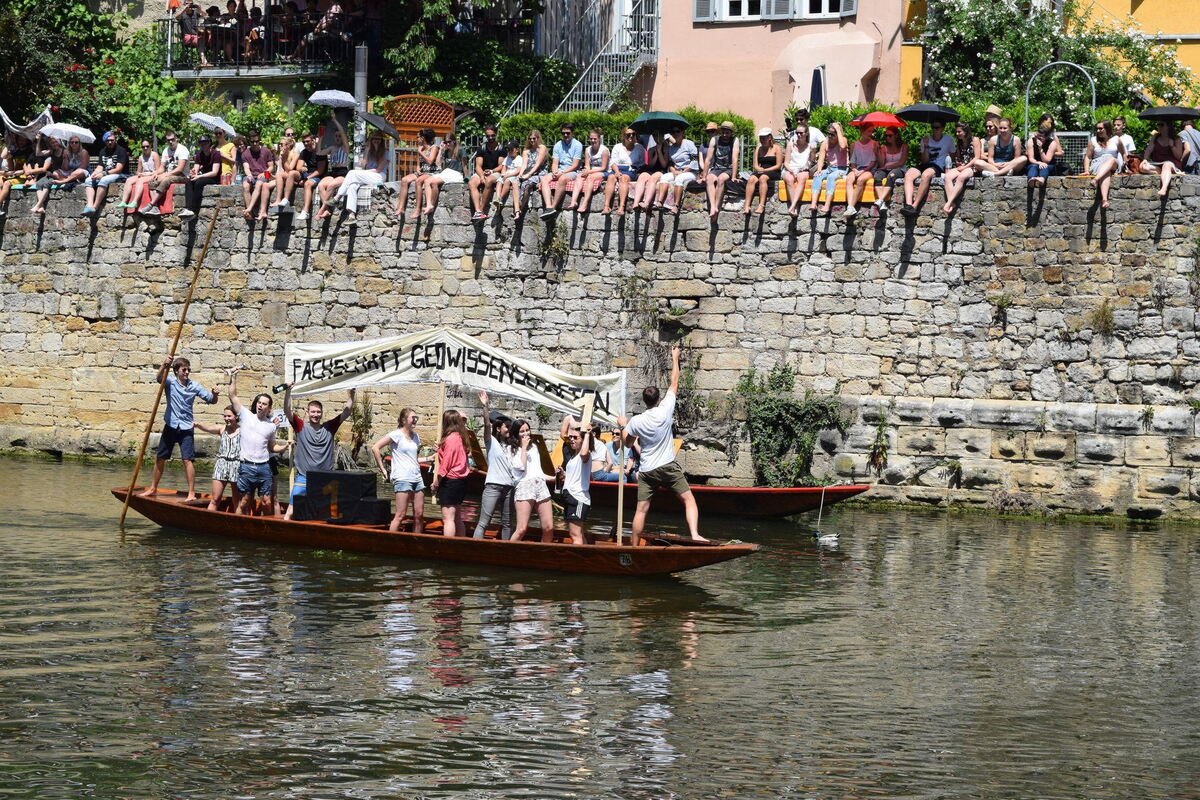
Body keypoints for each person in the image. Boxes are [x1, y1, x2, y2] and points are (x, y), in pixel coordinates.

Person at [617, 345, 705, 545]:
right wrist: (675, 358)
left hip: (647, 470)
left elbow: (627, 443)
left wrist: (623, 426)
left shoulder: (637, 421)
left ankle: (633, 546)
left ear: (645, 401)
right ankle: (695, 534)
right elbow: (674, 382)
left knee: (641, 510)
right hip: (666, 466)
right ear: (658, 399)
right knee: (689, 500)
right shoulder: (665, 409)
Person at [139, 356, 221, 501]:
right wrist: (164, 365)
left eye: (188, 370)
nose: (187, 372)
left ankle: (191, 493)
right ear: (177, 371)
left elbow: (211, 400)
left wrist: (215, 394)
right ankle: (153, 488)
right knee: (160, 458)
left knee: (187, 460)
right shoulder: (170, 382)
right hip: (170, 425)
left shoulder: (194, 386)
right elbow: (159, 378)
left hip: (186, 428)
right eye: (184, 370)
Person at [281, 385, 353, 520]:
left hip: (324, 478)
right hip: (304, 476)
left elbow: (347, 412)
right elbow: (287, 410)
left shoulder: (329, 427)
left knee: (329, 512)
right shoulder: (300, 426)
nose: (315, 415)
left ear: (322, 413)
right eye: (313, 412)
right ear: (308, 413)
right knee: (290, 510)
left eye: (318, 412)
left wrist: (352, 394)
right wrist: (288, 391)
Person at [228, 367, 284, 516]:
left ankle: (267, 525)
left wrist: (284, 447)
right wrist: (233, 377)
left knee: (267, 501)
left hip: (264, 467)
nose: (260, 405)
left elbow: (272, 447)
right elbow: (233, 396)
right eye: (259, 402)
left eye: (264, 404)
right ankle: (239, 525)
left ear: (269, 408)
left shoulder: (271, 425)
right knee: (244, 501)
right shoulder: (246, 415)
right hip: (246, 466)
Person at [371, 407, 427, 534]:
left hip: (417, 478)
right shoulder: (396, 434)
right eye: (413, 417)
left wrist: (429, 458)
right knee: (400, 515)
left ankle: (417, 541)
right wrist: (383, 469)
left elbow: (413, 459)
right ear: (403, 420)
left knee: (419, 515)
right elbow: (375, 448)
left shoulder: (416, 437)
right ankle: (391, 541)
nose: (415, 420)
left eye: (416, 418)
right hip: (402, 478)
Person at [472, 391, 516, 540]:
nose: (509, 429)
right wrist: (485, 406)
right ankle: (474, 547)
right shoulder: (491, 441)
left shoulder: (512, 446)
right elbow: (486, 424)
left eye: (510, 427)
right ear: (498, 428)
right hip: (493, 486)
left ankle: (505, 549)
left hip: (509, 488)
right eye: (506, 426)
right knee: (484, 523)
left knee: (507, 523)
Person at [509, 418, 555, 543]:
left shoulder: (534, 447)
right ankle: (508, 551)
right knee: (522, 529)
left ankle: (544, 552)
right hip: (525, 486)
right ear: (516, 434)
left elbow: (538, 472)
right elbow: (521, 467)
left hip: (540, 485)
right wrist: (523, 447)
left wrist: (554, 477)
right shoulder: (512, 449)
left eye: (527, 430)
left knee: (549, 527)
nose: (526, 433)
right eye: (522, 431)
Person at [327, 130, 387, 226]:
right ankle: (351, 215)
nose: (376, 141)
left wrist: (362, 172)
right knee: (352, 186)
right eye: (374, 139)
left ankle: (337, 197)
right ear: (371, 140)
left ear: (381, 141)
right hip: (368, 176)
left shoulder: (385, 152)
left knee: (352, 173)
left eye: (378, 139)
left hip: (379, 176)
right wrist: (367, 150)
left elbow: (378, 170)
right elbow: (363, 166)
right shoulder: (369, 151)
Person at [900, 120, 953, 216]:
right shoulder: (925, 139)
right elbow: (924, 161)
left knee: (926, 175)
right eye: (933, 127)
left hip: (938, 166)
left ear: (942, 128)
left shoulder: (949, 140)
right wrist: (925, 146)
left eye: (937, 128)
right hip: (926, 164)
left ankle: (915, 206)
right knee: (908, 174)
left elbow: (953, 155)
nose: (934, 130)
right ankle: (908, 205)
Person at [430, 410, 470, 536]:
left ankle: (448, 545)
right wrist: (440, 449)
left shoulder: (451, 439)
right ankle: (460, 543)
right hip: (461, 482)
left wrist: (436, 482)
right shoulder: (461, 437)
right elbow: (454, 455)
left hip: (451, 482)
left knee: (448, 519)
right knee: (457, 518)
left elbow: (446, 463)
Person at [193, 405, 240, 511]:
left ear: (236, 416)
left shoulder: (242, 430)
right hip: (221, 464)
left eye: (229, 416)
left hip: (237, 465)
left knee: (237, 500)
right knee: (215, 499)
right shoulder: (222, 429)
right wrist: (198, 425)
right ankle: (208, 519)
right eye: (225, 416)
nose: (226, 418)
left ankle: (238, 520)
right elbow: (209, 428)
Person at [30, 136, 87, 216]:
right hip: (53, 174)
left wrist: (65, 160)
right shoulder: (51, 151)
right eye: (52, 143)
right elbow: (38, 153)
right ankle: (41, 206)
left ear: (59, 142)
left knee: (47, 183)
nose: (54, 144)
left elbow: (68, 167)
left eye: (55, 142)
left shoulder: (65, 151)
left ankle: (38, 204)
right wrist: (39, 140)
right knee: (39, 184)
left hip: (61, 175)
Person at [140, 131, 189, 217]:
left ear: (176, 138)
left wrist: (166, 174)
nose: (170, 142)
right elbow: (162, 167)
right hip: (170, 173)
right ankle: (155, 208)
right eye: (168, 140)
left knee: (166, 180)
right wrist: (156, 173)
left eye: (172, 139)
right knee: (152, 180)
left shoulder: (182, 150)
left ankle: (151, 205)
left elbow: (180, 169)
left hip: (183, 176)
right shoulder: (166, 150)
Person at [556, 424, 591, 545]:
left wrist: (587, 434)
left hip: (578, 498)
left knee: (575, 534)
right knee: (578, 534)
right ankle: (586, 555)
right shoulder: (573, 457)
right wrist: (563, 474)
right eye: (570, 437)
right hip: (570, 497)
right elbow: (574, 476)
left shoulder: (585, 454)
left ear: (583, 440)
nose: (571, 439)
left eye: (575, 437)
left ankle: (578, 556)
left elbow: (584, 453)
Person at [395, 127, 439, 220]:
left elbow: (430, 161)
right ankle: (401, 208)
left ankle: (418, 209)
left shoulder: (434, 148)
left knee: (418, 181)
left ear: (423, 138)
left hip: (431, 171)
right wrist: (418, 168)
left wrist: (420, 152)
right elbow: (419, 163)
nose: (417, 139)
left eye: (418, 137)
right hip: (422, 171)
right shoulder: (421, 148)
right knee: (404, 180)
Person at [539, 124, 583, 218]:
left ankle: (553, 207)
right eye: (563, 133)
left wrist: (562, 173)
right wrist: (555, 172)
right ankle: (548, 207)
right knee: (544, 179)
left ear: (572, 133)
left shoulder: (577, 145)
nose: (565, 135)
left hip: (572, 171)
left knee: (562, 179)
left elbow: (575, 165)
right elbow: (555, 163)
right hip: (560, 170)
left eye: (568, 133)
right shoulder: (558, 145)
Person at [655, 126, 700, 214]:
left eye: (677, 131)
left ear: (682, 133)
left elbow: (695, 159)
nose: (675, 134)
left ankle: (676, 206)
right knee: (664, 177)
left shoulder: (689, 143)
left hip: (690, 171)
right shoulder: (671, 148)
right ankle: (660, 202)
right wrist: (673, 171)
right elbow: (670, 163)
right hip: (677, 171)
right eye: (673, 132)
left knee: (679, 179)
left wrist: (684, 171)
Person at [81, 132, 128, 217]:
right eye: (108, 140)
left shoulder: (121, 151)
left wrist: (104, 173)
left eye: (112, 140)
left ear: (115, 140)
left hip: (121, 174)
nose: (110, 142)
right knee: (88, 180)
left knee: (104, 180)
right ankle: (89, 206)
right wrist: (94, 174)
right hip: (107, 174)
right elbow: (100, 166)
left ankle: (95, 207)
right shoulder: (103, 151)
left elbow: (119, 169)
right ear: (105, 141)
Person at [604, 127, 646, 216]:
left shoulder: (639, 147)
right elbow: (612, 162)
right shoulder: (617, 147)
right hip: (617, 168)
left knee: (624, 178)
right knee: (611, 177)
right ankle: (606, 206)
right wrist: (617, 172)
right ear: (623, 136)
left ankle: (622, 206)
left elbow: (642, 163)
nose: (631, 136)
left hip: (631, 170)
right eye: (628, 134)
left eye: (633, 134)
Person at [1083, 120, 1124, 210]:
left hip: (1113, 163)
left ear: (1107, 128)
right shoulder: (1093, 140)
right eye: (1097, 129)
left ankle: (1096, 179)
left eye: (1101, 128)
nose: (1098, 131)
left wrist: (1126, 165)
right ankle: (1105, 200)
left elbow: (1124, 153)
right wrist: (1086, 170)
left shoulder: (1116, 139)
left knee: (1111, 159)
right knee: (1106, 172)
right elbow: (1088, 157)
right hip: (1098, 164)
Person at [566, 128, 609, 214]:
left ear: (599, 139)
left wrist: (588, 172)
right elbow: (587, 165)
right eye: (591, 139)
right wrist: (586, 171)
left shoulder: (604, 150)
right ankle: (573, 201)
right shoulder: (587, 150)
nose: (592, 141)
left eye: (595, 139)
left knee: (590, 178)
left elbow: (603, 167)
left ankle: (585, 203)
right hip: (591, 171)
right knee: (579, 176)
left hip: (603, 172)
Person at [1139, 120, 1187, 197]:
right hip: (1158, 163)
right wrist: (1145, 159)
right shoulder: (1155, 137)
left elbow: (1178, 156)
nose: (1159, 126)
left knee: (1166, 165)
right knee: (1143, 167)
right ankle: (1162, 172)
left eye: (1161, 124)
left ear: (1168, 126)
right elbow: (1149, 148)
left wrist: (1172, 146)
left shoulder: (1176, 139)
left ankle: (1164, 188)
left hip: (1172, 163)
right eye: (1158, 124)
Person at [809, 121, 848, 215]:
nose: (830, 136)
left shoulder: (843, 140)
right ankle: (813, 204)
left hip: (841, 169)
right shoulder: (825, 142)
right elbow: (821, 158)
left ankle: (827, 205)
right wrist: (819, 169)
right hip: (830, 168)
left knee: (831, 177)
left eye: (832, 134)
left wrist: (838, 129)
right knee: (817, 176)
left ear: (837, 133)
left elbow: (843, 146)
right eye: (828, 133)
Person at [741, 127, 781, 216]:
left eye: (764, 138)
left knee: (763, 178)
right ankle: (747, 206)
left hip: (773, 170)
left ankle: (761, 205)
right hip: (761, 169)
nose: (762, 140)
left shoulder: (776, 148)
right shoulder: (758, 149)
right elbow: (755, 165)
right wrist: (758, 169)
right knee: (751, 179)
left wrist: (765, 170)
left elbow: (778, 165)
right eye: (760, 138)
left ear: (769, 137)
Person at [180, 134, 222, 218]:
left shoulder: (216, 154)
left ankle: (193, 209)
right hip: (203, 176)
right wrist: (193, 174)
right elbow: (196, 169)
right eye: (201, 143)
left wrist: (199, 176)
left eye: (205, 143)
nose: (203, 145)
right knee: (189, 181)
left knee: (198, 183)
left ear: (209, 143)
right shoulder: (199, 154)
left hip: (214, 178)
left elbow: (214, 172)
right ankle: (188, 208)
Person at [316, 113, 350, 216]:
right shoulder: (332, 148)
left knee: (331, 185)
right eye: (336, 136)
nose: (338, 138)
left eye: (339, 136)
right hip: (333, 172)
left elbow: (343, 133)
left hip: (342, 172)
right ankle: (327, 210)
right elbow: (319, 153)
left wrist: (335, 120)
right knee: (321, 185)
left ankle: (322, 209)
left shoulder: (345, 147)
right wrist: (320, 138)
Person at [941, 122, 979, 214]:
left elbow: (977, 157)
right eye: (956, 132)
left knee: (961, 177)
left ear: (965, 131)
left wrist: (965, 167)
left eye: (959, 132)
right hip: (963, 166)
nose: (957, 134)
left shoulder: (975, 140)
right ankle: (952, 203)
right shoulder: (959, 142)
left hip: (972, 166)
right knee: (947, 177)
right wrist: (958, 162)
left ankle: (948, 203)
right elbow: (958, 157)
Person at [843, 121, 879, 218]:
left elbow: (873, 162)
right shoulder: (854, 145)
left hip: (869, 169)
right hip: (858, 168)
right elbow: (852, 161)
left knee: (860, 180)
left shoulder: (874, 144)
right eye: (869, 131)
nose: (871, 133)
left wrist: (863, 171)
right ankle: (850, 207)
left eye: (872, 131)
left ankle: (851, 206)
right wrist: (855, 170)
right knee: (849, 179)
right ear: (862, 131)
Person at [467, 124, 503, 220]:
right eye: (488, 136)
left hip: (495, 171)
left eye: (492, 135)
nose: (490, 138)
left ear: (496, 134)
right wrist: (482, 176)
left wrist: (491, 171)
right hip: (482, 172)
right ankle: (478, 211)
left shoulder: (501, 148)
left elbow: (501, 166)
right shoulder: (482, 148)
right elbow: (478, 166)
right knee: (471, 183)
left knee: (489, 181)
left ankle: (481, 210)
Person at [422, 134, 463, 218]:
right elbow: (438, 163)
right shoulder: (446, 152)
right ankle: (428, 204)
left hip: (455, 173)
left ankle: (431, 205)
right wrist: (440, 150)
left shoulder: (460, 150)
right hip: (446, 172)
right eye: (445, 142)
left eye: (449, 142)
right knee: (426, 181)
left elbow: (465, 165)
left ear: (454, 141)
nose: (447, 144)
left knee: (434, 183)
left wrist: (467, 177)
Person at [239, 130, 275, 221]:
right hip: (252, 174)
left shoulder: (266, 151)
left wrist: (264, 173)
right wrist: (249, 175)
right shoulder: (245, 153)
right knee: (245, 185)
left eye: (256, 141)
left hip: (265, 174)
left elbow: (271, 167)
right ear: (249, 141)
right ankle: (249, 214)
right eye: (252, 142)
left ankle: (249, 208)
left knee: (259, 183)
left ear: (259, 140)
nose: (255, 143)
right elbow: (246, 168)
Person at [512, 129, 548, 219]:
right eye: (530, 138)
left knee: (526, 185)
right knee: (515, 182)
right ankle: (516, 210)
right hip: (528, 172)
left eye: (534, 138)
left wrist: (529, 175)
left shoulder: (542, 148)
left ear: (538, 138)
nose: (532, 140)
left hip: (539, 173)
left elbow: (537, 164)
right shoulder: (526, 150)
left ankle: (520, 209)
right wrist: (520, 174)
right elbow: (524, 164)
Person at [872, 126, 908, 212]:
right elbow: (881, 163)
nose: (887, 137)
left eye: (890, 135)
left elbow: (901, 162)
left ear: (896, 135)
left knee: (891, 176)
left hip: (899, 169)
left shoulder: (904, 147)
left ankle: (880, 199)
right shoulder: (884, 148)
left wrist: (887, 166)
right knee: (877, 176)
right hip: (885, 168)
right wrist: (878, 151)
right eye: (886, 135)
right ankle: (882, 203)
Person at [291, 132, 325, 221]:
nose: (305, 143)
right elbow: (297, 167)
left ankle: (305, 211)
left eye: (307, 141)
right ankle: (285, 200)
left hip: (318, 175)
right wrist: (301, 168)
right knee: (291, 174)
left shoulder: (320, 152)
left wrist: (307, 178)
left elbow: (320, 171)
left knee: (307, 184)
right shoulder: (303, 152)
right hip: (307, 173)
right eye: (304, 142)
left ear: (313, 141)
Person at [120, 140, 160, 212]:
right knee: (128, 180)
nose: (145, 148)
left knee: (140, 181)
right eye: (143, 147)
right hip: (144, 175)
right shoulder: (141, 157)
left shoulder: (154, 155)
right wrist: (139, 174)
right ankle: (124, 202)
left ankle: (135, 201)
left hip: (153, 175)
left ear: (150, 146)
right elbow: (138, 171)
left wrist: (148, 174)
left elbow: (158, 170)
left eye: (147, 146)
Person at [782, 125, 813, 217]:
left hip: (803, 170)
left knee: (802, 177)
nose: (799, 135)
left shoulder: (810, 147)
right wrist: (791, 170)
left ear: (806, 134)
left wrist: (805, 168)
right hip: (790, 168)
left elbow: (811, 162)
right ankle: (794, 207)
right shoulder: (790, 144)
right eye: (797, 133)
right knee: (789, 178)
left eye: (801, 133)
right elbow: (786, 163)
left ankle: (793, 206)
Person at [630, 136, 667, 211]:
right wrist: (656, 154)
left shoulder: (666, 149)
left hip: (661, 170)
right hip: (651, 170)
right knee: (642, 177)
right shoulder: (651, 149)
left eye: (659, 135)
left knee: (653, 178)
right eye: (655, 135)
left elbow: (664, 165)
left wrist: (659, 152)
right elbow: (650, 165)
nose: (658, 138)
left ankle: (646, 203)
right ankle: (636, 203)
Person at [268, 135, 302, 214]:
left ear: (288, 145)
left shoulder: (295, 153)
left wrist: (284, 158)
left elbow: (290, 169)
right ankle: (277, 200)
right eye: (279, 144)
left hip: (296, 176)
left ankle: (286, 199)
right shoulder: (282, 155)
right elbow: (282, 172)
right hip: (287, 176)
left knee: (291, 173)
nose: (280, 146)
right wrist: (271, 176)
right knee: (275, 177)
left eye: (281, 144)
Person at [1025, 113, 1061, 187]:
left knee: (1045, 166)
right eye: (1038, 137)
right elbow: (1031, 158)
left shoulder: (1052, 142)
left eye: (1041, 138)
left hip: (1047, 163)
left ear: (1046, 137)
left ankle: (1042, 178)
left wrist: (1040, 149)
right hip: (1035, 162)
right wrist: (1039, 163)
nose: (1039, 139)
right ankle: (1031, 179)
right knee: (1033, 166)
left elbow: (1047, 161)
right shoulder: (1031, 140)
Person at [495, 139, 524, 218]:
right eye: (508, 149)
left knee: (507, 181)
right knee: (499, 182)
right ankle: (497, 198)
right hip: (506, 175)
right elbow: (504, 167)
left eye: (512, 149)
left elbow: (518, 171)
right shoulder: (507, 158)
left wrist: (508, 175)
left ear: (517, 150)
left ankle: (501, 198)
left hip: (513, 175)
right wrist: (503, 174)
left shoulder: (519, 159)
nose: (510, 151)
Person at [177, 2, 210, 66]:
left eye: (191, 4)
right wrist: (184, 10)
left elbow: (205, 15)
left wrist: (199, 9)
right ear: (184, 4)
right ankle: (204, 61)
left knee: (205, 39)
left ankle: (206, 60)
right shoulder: (183, 14)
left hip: (196, 36)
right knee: (200, 40)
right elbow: (177, 17)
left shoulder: (195, 13)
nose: (189, 5)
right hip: (187, 36)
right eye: (187, 3)